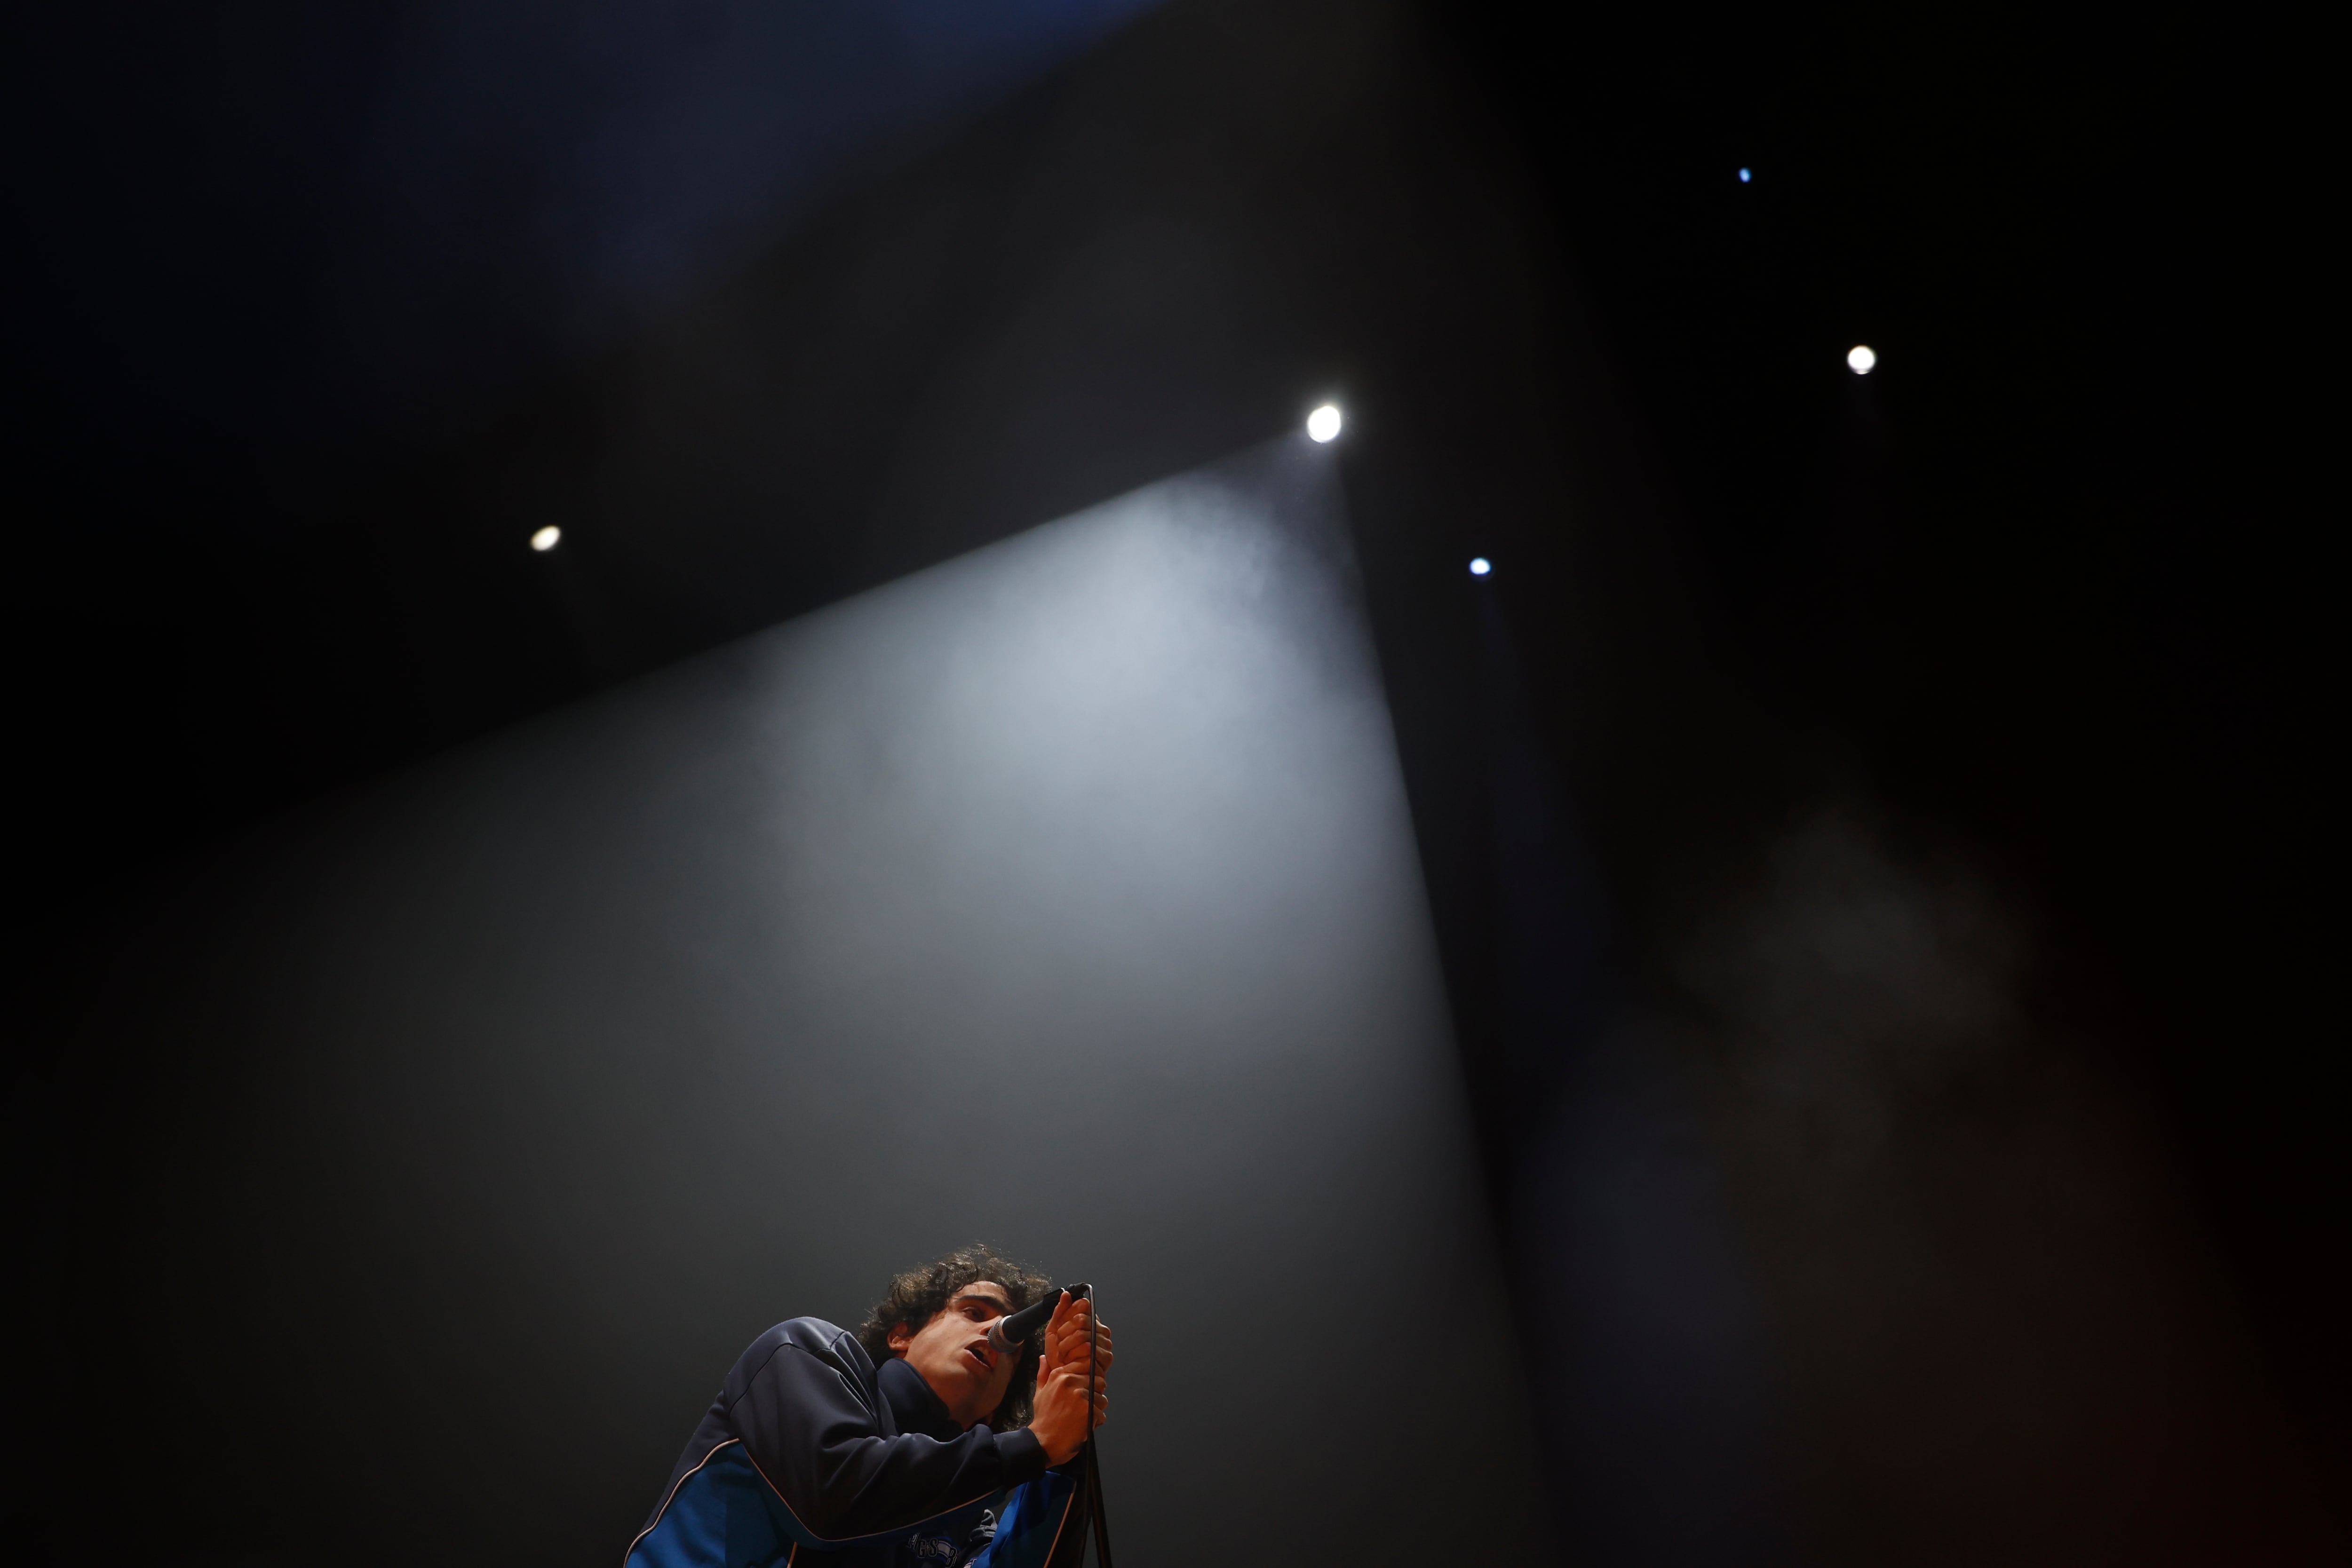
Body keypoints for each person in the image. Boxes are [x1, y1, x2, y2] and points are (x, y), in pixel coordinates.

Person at [625, 1245, 1113, 1568]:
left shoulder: (967, 1519)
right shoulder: (807, 1352)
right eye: (973, 1311)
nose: (995, 1334)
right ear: (901, 1334)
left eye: (1014, 1346)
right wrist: (1032, 1444)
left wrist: (1063, 1454)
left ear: (999, 1404)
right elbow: (832, 1500)